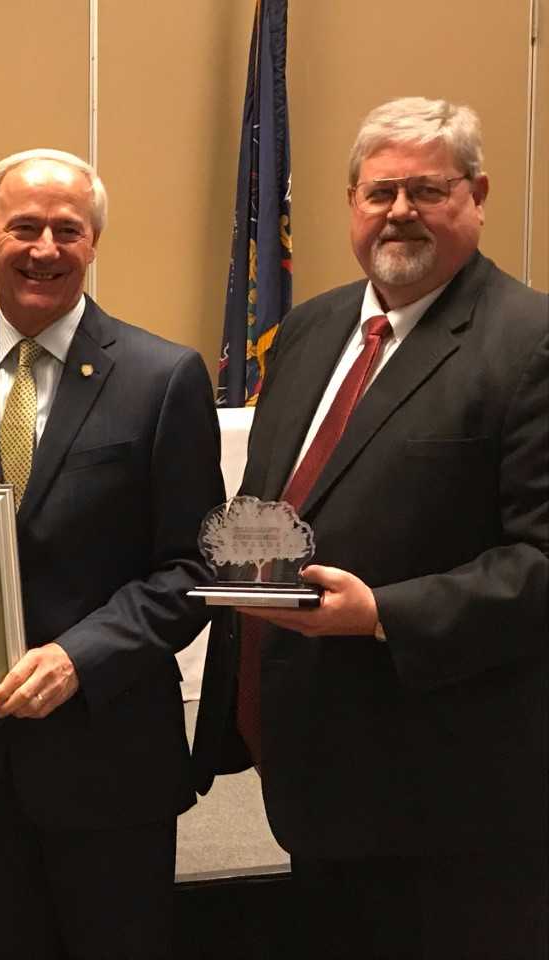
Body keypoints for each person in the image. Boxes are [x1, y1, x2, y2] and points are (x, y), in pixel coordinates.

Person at [192, 97, 549, 959]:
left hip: (450, 793)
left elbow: (539, 561)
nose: (400, 212)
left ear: (478, 194)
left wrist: (381, 611)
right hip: (313, 766)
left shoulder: (529, 340)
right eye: (380, 191)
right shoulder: (312, 330)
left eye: (426, 190)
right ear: (351, 201)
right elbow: (274, 504)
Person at [0, 148, 224, 959]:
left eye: (67, 230)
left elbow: (194, 567)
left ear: (95, 241)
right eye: (24, 227)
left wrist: (79, 658)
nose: (44, 248)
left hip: (111, 763)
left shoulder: (164, 375)